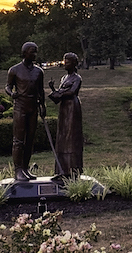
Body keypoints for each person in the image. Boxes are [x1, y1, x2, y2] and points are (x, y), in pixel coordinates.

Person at [6, 41, 45, 181]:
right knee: (18, 140)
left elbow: (41, 91)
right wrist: (11, 93)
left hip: (33, 107)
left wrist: (43, 106)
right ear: (24, 53)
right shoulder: (14, 70)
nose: (35, 54)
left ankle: (25, 168)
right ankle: (18, 170)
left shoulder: (39, 71)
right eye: (32, 51)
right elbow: (8, 86)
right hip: (20, 107)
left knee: (30, 140)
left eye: (36, 51)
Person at [47, 52, 84, 182]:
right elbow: (59, 95)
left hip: (72, 108)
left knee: (71, 137)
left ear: (74, 63)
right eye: (64, 61)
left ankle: (73, 170)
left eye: (67, 61)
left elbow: (72, 92)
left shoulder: (77, 78)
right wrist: (53, 90)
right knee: (62, 137)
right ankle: (61, 170)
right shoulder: (63, 78)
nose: (65, 64)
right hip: (63, 108)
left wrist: (59, 93)